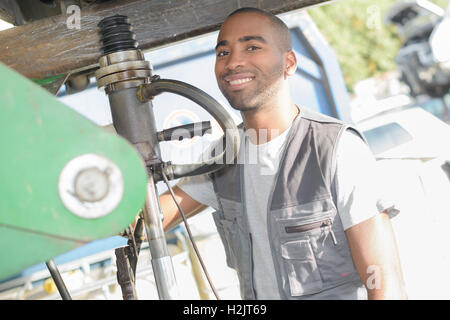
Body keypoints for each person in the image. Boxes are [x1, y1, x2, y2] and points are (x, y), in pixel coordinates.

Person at [159, 7, 407, 300]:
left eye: (252, 47)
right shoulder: (225, 155)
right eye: (223, 53)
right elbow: (145, 220)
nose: (233, 62)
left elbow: (384, 282)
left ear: (289, 62)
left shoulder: (337, 148)